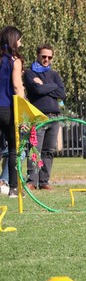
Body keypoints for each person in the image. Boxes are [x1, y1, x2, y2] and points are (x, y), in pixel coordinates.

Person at [23, 43, 66, 190]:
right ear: (37, 55)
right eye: (44, 56)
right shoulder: (30, 73)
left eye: (49, 57)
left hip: (54, 117)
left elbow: (62, 94)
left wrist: (44, 86)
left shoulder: (54, 75)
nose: (46, 59)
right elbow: (37, 90)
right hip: (38, 117)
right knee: (35, 149)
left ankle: (44, 181)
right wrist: (52, 86)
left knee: (48, 151)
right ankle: (32, 181)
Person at [0, 26, 25, 198]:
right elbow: (17, 86)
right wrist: (23, 110)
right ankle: (13, 189)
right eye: (20, 39)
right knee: (13, 148)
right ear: (13, 40)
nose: (21, 43)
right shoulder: (14, 61)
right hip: (7, 108)